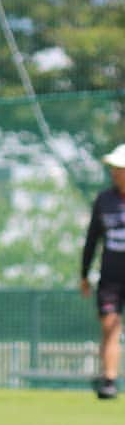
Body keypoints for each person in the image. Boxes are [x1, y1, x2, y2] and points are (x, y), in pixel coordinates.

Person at [80, 144, 125, 400]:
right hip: (110, 277)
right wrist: (84, 274)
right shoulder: (104, 200)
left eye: (120, 169)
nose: (116, 173)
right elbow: (92, 239)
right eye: (114, 169)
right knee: (110, 326)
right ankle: (109, 380)